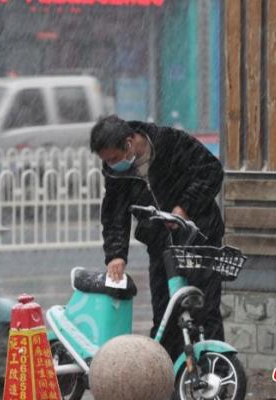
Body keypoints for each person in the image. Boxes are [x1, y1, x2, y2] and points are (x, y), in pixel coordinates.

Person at [90, 115, 225, 356]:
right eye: (106, 161)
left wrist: (185, 206)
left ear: (129, 143)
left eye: (113, 158)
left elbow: (211, 170)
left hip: (199, 239)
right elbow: (114, 213)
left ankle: (214, 372)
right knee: (165, 315)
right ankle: (168, 382)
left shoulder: (169, 143)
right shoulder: (116, 174)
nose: (111, 165)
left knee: (203, 309)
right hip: (161, 245)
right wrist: (116, 254)